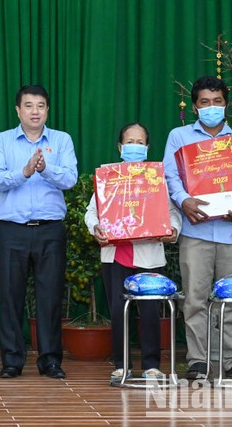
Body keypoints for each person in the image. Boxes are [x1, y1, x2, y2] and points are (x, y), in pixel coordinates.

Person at [163, 75, 232, 380]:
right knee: (195, 298)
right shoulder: (179, 136)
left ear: (226, 105)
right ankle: (198, 360)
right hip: (196, 231)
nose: (211, 107)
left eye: (217, 102)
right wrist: (184, 200)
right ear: (195, 106)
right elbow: (170, 176)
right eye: (205, 102)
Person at [0, 85, 77, 379]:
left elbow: (71, 179)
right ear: (18, 110)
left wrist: (45, 169)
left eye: (40, 106)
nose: (34, 111)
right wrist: (24, 172)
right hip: (12, 231)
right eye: (28, 105)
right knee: (10, 297)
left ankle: (50, 361)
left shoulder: (61, 140)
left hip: (50, 230)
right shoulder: (1, 141)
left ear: (47, 110)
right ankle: (12, 360)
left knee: (50, 297)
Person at [84, 122, 181, 381]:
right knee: (118, 310)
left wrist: (172, 229)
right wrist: (95, 227)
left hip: (148, 253)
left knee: (149, 311)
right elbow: (92, 212)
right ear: (120, 147)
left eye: (140, 143)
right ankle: (121, 365)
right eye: (130, 142)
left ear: (147, 148)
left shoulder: (156, 178)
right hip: (116, 254)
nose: (134, 147)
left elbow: (173, 213)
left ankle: (151, 366)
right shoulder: (109, 177)